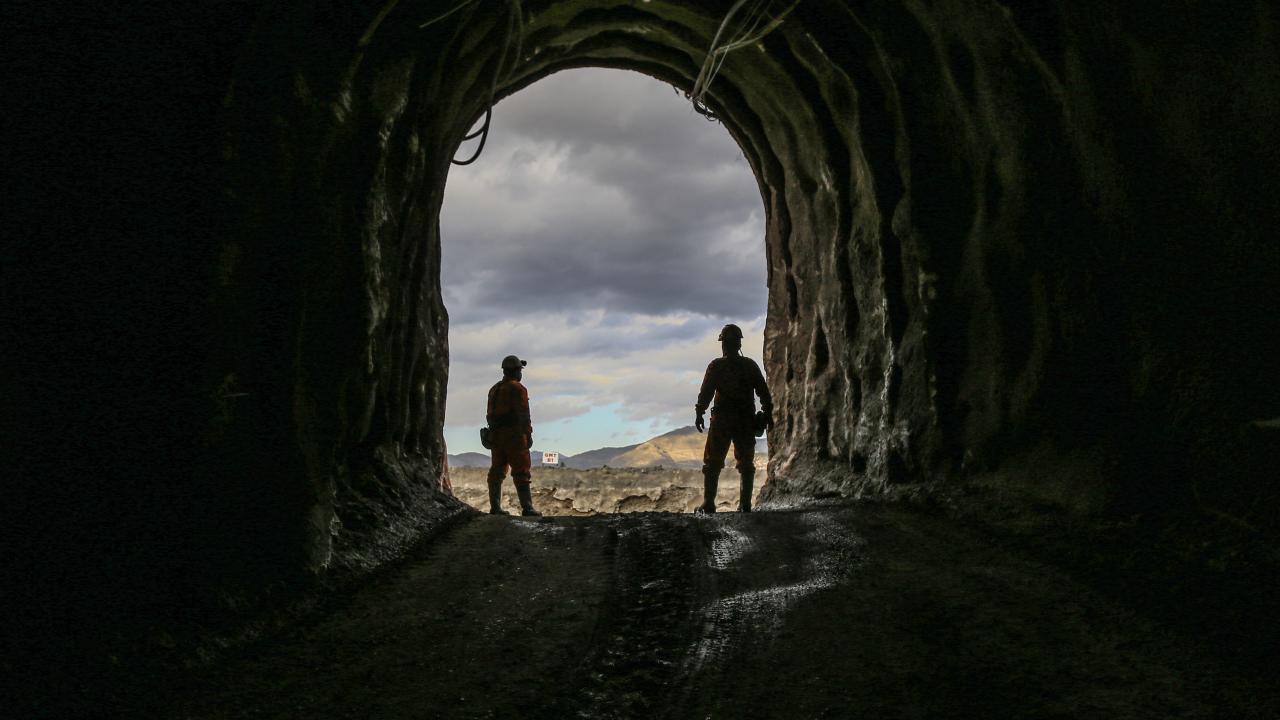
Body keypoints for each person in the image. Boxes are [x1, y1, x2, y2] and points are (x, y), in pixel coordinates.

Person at [694, 324, 772, 513]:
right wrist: (767, 414)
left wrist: (700, 412)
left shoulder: (716, 366)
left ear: (724, 344)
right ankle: (745, 504)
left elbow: (706, 392)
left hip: (722, 420)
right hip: (745, 419)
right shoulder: (750, 366)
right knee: (746, 461)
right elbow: (764, 393)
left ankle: (709, 503)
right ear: (739, 344)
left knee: (712, 461)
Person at [485, 355, 541, 516]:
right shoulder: (518, 389)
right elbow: (524, 415)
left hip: (496, 437)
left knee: (497, 471)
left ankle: (495, 508)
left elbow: (490, 415)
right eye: (519, 370)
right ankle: (528, 508)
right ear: (516, 371)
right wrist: (528, 435)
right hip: (514, 437)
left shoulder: (494, 389)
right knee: (521, 471)